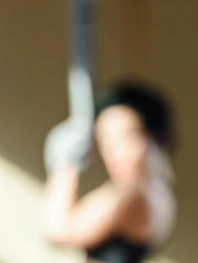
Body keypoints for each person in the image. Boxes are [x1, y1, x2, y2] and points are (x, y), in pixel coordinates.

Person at [42, 81, 177, 263]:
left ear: (153, 141)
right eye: (106, 141)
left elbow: (58, 231)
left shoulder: (136, 193)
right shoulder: (153, 191)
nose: (115, 154)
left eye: (126, 138)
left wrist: (64, 166)